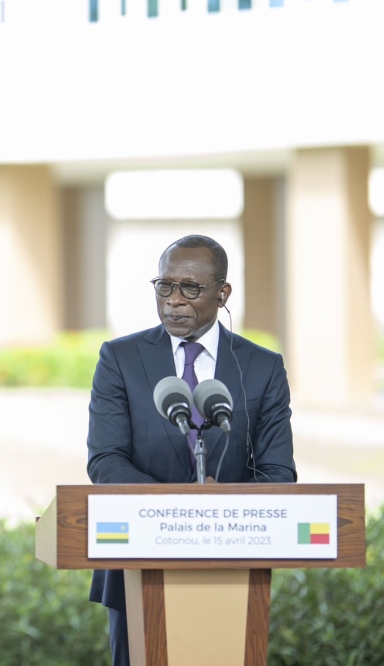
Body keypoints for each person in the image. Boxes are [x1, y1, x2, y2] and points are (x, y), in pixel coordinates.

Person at [86, 234, 296, 666]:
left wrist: (222, 509)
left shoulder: (262, 367)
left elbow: (278, 472)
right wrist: (176, 509)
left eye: (190, 288)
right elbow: (106, 460)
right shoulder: (120, 358)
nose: (173, 300)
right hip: (137, 564)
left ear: (223, 294)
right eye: (164, 286)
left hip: (235, 567)